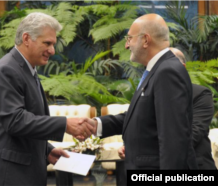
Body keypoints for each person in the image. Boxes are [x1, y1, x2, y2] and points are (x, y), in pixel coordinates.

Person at [0, 12, 94, 186]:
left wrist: (46, 151)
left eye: (53, 44)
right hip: (1, 174)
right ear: (26, 38)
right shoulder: (6, 71)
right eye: (47, 43)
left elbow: (22, 125)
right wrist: (65, 124)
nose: (52, 50)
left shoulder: (26, 70)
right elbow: (15, 121)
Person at [82, 14, 197, 169]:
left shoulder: (167, 72)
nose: (126, 45)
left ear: (145, 40)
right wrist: (97, 125)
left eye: (129, 38)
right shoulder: (157, 70)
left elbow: (173, 140)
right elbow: (141, 117)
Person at [118, 48, 217, 170]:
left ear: (182, 68)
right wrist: (132, 147)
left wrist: (143, 150)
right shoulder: (149, 94)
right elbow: (139, 124)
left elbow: (191, 136)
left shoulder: (200, 94)